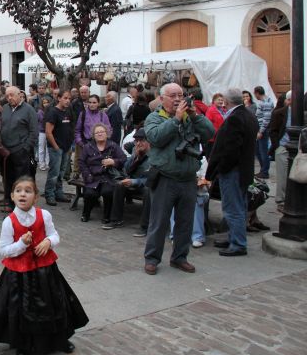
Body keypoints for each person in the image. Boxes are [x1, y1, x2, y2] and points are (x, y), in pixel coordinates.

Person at [0, 176, 89, 355]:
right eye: (18, 191)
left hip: (45, 271)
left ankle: (59, 339)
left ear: (36, 197)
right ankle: (24, 343)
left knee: (54, 304)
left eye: (28, 191)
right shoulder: (9, 221)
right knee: (23, 310)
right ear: (12, 196)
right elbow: (4, 250)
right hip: (19, 275)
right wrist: (21, 244)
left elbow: (55, 235)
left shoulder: (44, 215)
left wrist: (48, 241)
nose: (23, 194)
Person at [143, 83, 215, 275]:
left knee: (185, 222)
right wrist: (175, 120)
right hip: (165, 178)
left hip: (188, 178)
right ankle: (152, 258)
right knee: (159, 222)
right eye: (172, 95)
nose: (177, 99)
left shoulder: (189, 117)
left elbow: (209, 133)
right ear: (162, 98)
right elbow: (156, 138)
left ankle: (180, 257)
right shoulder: (154, 118)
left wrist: (194, 115)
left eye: (180, 95)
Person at [206, 89, 259, 256]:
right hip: (243, 169)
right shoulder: (248, 115)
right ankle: (234, 237)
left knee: (232, 207)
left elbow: (231, 148)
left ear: (226, 101)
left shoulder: (235, 118)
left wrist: (221, 168)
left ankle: (238, 243)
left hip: (234, 170)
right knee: (239, 206)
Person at [78, 123, 127, 223]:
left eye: (102, 132)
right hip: (93, 176)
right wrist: (87, 174)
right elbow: (81, 162)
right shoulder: (88, 147)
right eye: (97, 133)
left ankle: (106, 216)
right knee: (89, 193)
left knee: (108, 192)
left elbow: (123, 158)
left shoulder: (113, 145)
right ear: (93, 135)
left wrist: (114, 162)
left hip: (108, 176)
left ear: (106, 133)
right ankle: (86, 214)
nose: (100, 134)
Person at [0, 86, 38, 211]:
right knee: (8, 178)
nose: (9, 98)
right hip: (6, 151)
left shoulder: (28, 109)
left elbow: (34, 131)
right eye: (7, 96)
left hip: (21, 151)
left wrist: (25, 148)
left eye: (12, 95)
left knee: (21, 180)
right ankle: (11, 204)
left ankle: (22, 206)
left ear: (19, 95)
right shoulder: (5, 109)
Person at [104, 128, 151, 230]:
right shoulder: (136, 150)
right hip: (133, 182)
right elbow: (126, 170)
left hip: (147, 184)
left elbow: (151, 179)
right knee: (119, 185)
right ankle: (116, 220)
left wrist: (134, 181)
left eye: (142, 140)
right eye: (136, 141)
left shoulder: (154, 156)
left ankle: (145, 226)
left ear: (149, 142)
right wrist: (136, 159)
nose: (138, 143)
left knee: (148, 191)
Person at [44, 90, 75, 206]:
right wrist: (56, 147)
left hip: (66, 148)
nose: (68, 101)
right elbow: (48, 132)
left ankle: (59, 192)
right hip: (56, 148)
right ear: (59, 98)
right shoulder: (53, 112)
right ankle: (49, 194)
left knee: (61, 173)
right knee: (54, 173)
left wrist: (69, 146)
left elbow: (70, 128)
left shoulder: (67, 112)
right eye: (65, 98)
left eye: (69, 99)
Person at [268, 91, 290, 209]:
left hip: (296, 148)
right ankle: (281, 200)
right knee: (282, 175)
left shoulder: (302, 114)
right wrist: (277, 146)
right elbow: (273, 131)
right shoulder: (279, 113)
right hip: (282, 146)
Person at [254, 86, 274, 180]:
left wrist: (261, 131)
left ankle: (264, 171)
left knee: (262, 151)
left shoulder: (265, 103)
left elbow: (266, 119)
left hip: (262, 129)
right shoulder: (267, 101)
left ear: (257, 93)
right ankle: (263, 170)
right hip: (261, 129)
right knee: (259, 150)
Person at [204, 93, 226, 158]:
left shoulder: (224, 110)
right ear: (214, 101)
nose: (221, 101)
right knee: (212, 156)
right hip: (213, 138)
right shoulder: (210, 110)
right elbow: (208, 124)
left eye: (222, 100)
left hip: (221, 137)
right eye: (219, 100)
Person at [36, 97, 51, 171]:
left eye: (47, 102)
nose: (46, 104)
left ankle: (48, 163)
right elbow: (36, 122)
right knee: (41, 148)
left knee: (48, 149)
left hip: (49, 132)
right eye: (44, 103)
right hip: (42, 132)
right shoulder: (39, 112)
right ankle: (41, 164)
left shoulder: (50, 111)